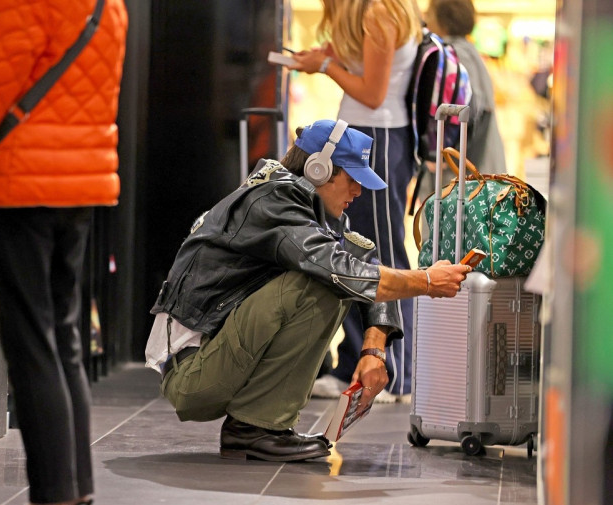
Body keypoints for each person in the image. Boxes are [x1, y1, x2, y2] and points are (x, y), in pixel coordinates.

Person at [145, 120, 472, 462]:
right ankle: (258, 426)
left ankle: (251, 427)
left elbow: (363, 257)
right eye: (352, 180)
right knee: (322, 283)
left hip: (212, 358)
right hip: (192, 376)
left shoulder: (302, 202)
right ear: (320, 168)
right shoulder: (275, 201)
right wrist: (428, 281)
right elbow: (342, 271)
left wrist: (374, 349)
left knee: (337, 274)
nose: (358, 192)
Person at [0, 1, 128, 505]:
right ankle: (75, 487)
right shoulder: (108, 5)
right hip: (83, 183)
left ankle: (50, 499)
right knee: (62, 339)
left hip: (26, 181)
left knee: (30, 342)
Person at [289, 0, 423, 402]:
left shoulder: (379, 11)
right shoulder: (374, 12)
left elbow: (373, 93)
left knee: (380, 256)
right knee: (352, 253)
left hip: (377, 138)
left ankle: (394, 372)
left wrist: (326, 67)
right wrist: (328, 56)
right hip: (367, 136)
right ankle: (352, 362)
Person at [424, 0, 507, 174]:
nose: (426, 21)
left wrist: (443, 150)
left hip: (464, 173)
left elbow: (470, 111)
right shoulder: (469, 52)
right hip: (481, 165)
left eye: (430, 14)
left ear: (444, 21)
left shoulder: (451, 55)